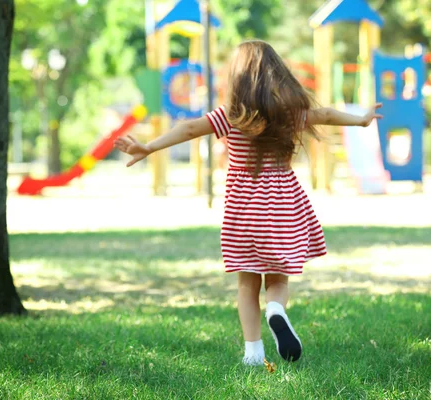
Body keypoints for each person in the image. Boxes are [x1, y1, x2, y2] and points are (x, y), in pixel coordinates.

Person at [114, 40, 382, 366]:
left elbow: (186, 129)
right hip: (283, 205)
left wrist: (148, 147)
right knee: (279, 277)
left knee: (246, 282)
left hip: (243, 210)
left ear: (237, 78)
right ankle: (276, 309)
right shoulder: (290, 115)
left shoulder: (230, 117)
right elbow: (324, 114)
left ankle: (253, 352)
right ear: (278, 75)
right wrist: (361, 120)